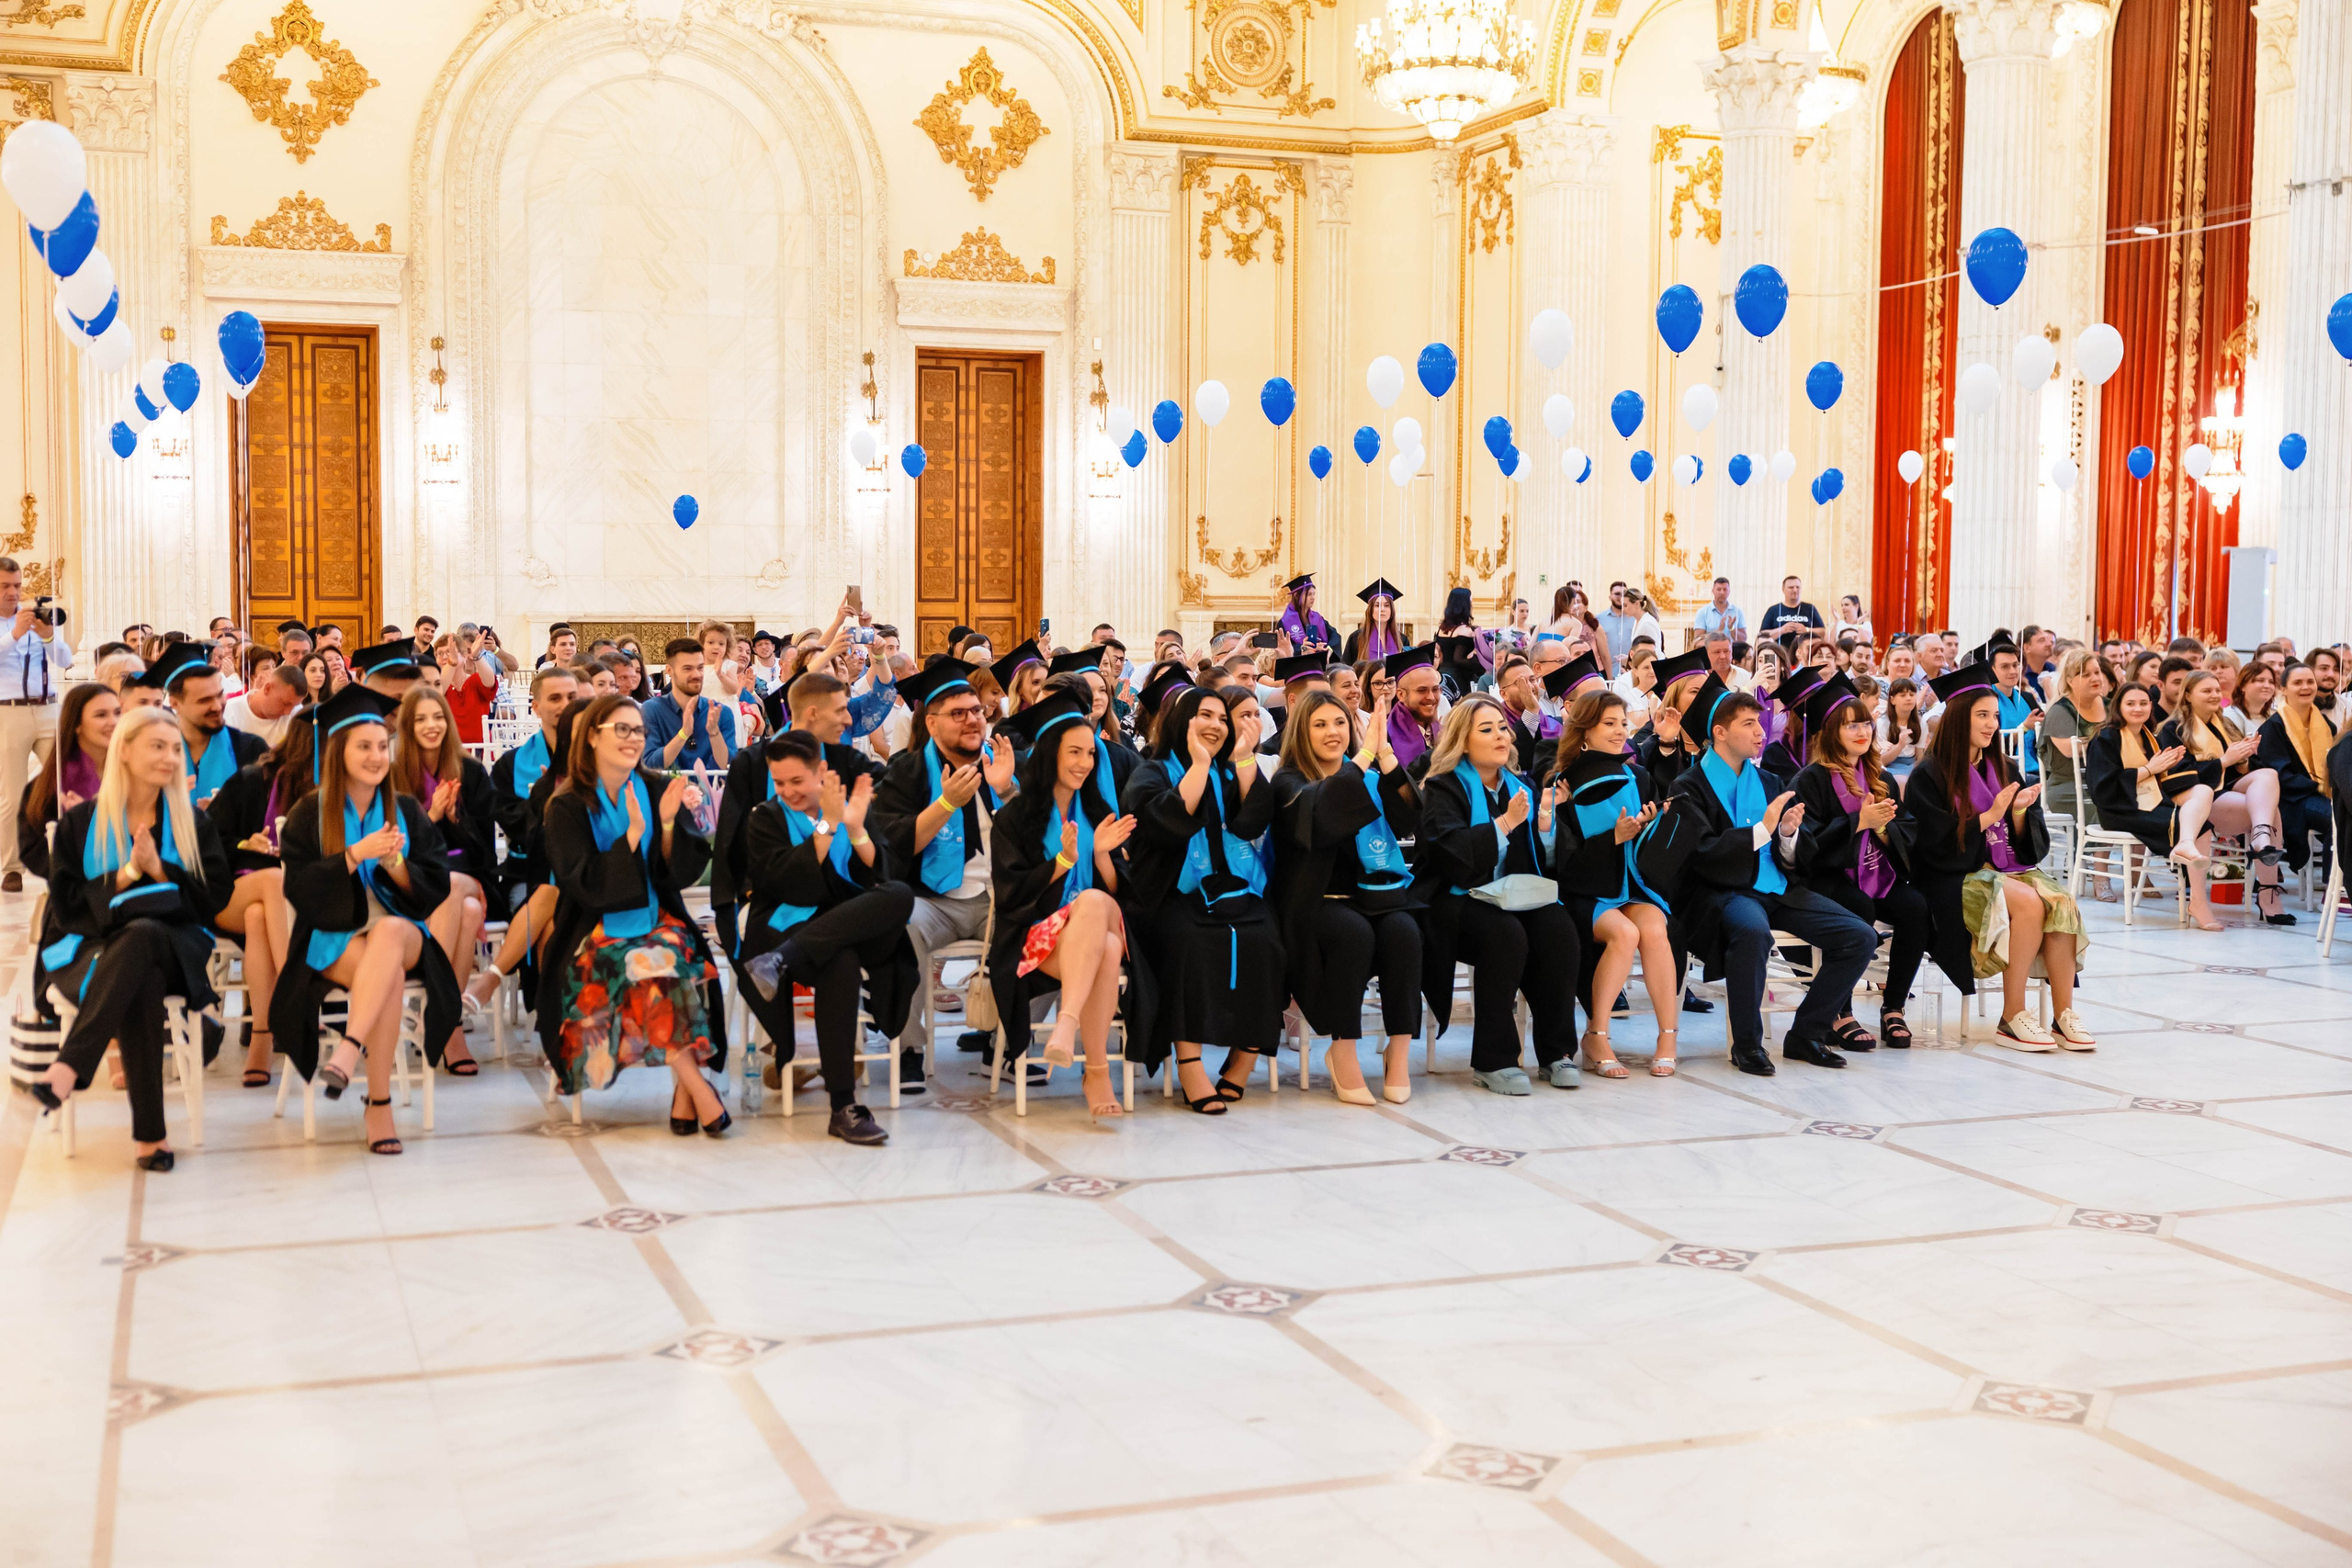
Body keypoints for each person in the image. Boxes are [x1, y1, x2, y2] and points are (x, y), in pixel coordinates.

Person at [21, 707, 231, 1171]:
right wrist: (128, 873)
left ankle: (70, 1065)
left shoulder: (193, 824)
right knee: (142, 968)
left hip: (178, 944)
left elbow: (213, 900)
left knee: (145, 936)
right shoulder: (81, 822)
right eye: (157, 746)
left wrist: (160, 869)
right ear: (125, 752)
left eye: (175, 749)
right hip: (89, 947)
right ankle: (151, 1138)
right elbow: (66, 907)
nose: (170, 757)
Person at [269, 687, 465, 1156]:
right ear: (339, 751)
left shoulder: (406, 810)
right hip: (333, 935)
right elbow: (299, 890)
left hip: (402, 931)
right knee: (388, 978)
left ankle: (349, 1046)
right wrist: (354, 856)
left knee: (391, 932)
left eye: (382, 746)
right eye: (364, 746)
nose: (377, 756)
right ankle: (379, 1105)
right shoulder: (309, 813)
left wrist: (397, 866)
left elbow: (435, 885)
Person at [1665, 682, 1879, 1075]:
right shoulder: (1688, 786)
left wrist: (1788, 834)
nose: (1761, 731)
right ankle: (1747, 1044)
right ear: (1720, 732)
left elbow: (1797, 853)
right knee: (1752, 932)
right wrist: (1762, 830)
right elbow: (1701, 854)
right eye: (1749, 724)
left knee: (1859, 936)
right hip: (1725, 892)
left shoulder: (1769, 782)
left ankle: (1807, 1034)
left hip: (1778, 888)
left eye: (1760, 722)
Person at [536, 693, 727, 1128]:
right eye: (621, 729)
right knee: (646, 964)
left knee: (669, 959)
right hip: (592, 930)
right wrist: (633, 835)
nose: (633, 738)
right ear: (591, 738)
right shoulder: (565, 805)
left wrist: (666, 824)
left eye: (638, 730)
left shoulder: (656, 786)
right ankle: (697, 1088)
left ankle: (689, 1093)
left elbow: (678, 872)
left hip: (659, 917)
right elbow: (583, 884)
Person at [734, 729, 916, 1143]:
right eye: (779, 782)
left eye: (797, 781)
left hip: (845, 921)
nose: (788, 792)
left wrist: (854, 827)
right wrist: (828, 826)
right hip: (787, 920)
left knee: (900, 894)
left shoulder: (848, 805)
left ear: (820, 771)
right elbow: (785, 884)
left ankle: (782, 960)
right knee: (840, 961)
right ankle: (844, 1108)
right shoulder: (765, 817)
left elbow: (879, 874)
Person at [1904, 664, 2092, 1047]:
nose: (1992, 724)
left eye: (1994, 715)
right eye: (1982, 716)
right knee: (2029, 903)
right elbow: (1930, 844)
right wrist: (1989, 817)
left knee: (2062, 901)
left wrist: (2018, 812)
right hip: (1953, 875)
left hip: (2006, 869)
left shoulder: (2005, 768)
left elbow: (2027, 840)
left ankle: (2063, 1015)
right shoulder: (1930, 774)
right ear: (1959, 719)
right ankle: (2012, 1015)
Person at [1122, 683, 1283, 1112]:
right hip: (1169, 894)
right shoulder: (1151, 772)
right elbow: (1165, 823)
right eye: (1204, 716)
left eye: (1222, 719)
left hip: (1233, 889)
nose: (1216, 725)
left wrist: (1244, 758)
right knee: (1187, 941)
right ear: (1181, 720)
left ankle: (1244, 1057)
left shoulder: (1228, 772)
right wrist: (1197, 765)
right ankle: (1190, 1065)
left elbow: (1252, 822)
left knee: (1267, 938)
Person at [986, 694, 1147, 1120]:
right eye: (1074, 752)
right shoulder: (1016, 817)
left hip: (1094, 921)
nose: (1084, 763)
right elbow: (1011, 894)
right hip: (1037, 938)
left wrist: (1100, 857)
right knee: (1107, 948)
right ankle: (1096, 1072)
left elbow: (1121, 895)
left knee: (1094, 902)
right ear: (1049, 753)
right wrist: (1061, 862)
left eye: (1090, 753)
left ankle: (1067, 1022)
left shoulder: (1099, 811)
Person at [1410, 694, 1579, 1092]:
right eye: (1487, 730)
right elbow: (1450, 857)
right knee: (1505, 935)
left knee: (1558, 928)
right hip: (1454, 898)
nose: (1502, 736)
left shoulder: (1521, 787)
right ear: (1463, 742)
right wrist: (1504, 823)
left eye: (1503, 727)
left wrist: (1544, 822)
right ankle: (1494, 1059)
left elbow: (1542, 862)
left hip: (1511, 895)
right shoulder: (1443, 788)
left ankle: (1556, 1052)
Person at [1271, 687, 1423, 1103]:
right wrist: (1363, 757)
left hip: (1377, 897)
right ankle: (1343, 1052)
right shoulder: (1288, 782)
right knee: (1353, 935)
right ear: (1302, 732)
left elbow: (1409, 816)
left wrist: (1385, 755)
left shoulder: (1368, 776)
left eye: (1340, 722)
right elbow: (1324, 813)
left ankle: (1398, 1052)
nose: (1333, 732)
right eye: (1320, 724)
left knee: (1405, 934)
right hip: (1316, 903)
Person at [1546, 689, 1679, 1077]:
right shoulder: (1562, 784)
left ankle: (1667, 1037)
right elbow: (1560, 863)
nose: (1621, 731)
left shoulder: (1638, 776)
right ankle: (1596, 1036)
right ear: (1584, 731)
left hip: (1635, 885)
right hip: (1586, 891)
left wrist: (1652, 824)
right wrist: (1613, 839)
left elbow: (1654, 851)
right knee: (1624, 933)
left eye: (1623, 723)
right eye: (1609, 723)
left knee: (1654, 929)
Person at [1791, 686, 1932, 1051]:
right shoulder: (1811, 779)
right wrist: (1858, 823)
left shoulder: (1881, 778)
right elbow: (1807, 845)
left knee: (1915, 907)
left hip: (1874, 874)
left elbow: (1905, 831)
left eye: (1866, 724)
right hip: (1825, 878)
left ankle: (1894, 1007)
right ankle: (1840, 1011)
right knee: (1858, 907)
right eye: (1851, 725)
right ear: (1832, 732)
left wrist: (1882, 828)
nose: (1862, 732)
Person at [206, 705, 314, 1084]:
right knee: (271, 881)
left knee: (259, 917)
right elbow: (207, 841)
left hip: (299, 904)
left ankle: (262, 1039)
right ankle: (295, 991)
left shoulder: (340, 791)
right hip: (231, 893)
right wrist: (244, 843)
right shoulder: (252, 780)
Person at [390, 687, 496, 1055]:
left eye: (438, 717)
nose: (431, 725)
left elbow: (485, 848)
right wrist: (431, 815)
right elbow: (394, 847)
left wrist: (455, 820)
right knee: (468, 911)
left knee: (453, 887)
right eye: (420, 719)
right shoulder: (394, 775)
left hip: (467, 872)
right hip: (411, 882)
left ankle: (433, 1011)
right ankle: (449, 1026)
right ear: (407, 726)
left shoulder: (471, 771)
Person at [2160, 669, 2290, 925]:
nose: (2214, 695)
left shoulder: (2225, 725)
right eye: (2206, 690)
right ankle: (2268, 897)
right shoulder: (2173, 729)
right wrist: (2224, 761)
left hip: (2225, 791)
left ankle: (2261, 836)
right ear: (2188, 695)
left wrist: (2246, 756)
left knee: (2267, 775)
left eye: (2217, 690)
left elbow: (2236, 771)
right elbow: (2179, 777)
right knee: (2271, 812)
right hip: (2196, 799)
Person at [0, 555, 74, 893]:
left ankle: (70, 860)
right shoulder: (16, 626)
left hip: (48, 710)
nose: (13, 592)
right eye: (5, 586)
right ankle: (12, 868)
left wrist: (47, 637)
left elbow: (66, 659)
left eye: (17, 585)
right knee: (12, 795)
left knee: (66, 782)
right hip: (8, 712)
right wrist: (15, 634)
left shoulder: (38, 618)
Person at [17, 681, 117, 883]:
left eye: (118, 712)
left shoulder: (135, 773)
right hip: (73, 889)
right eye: (101, 715)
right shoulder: (51, 785)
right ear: (77, 724)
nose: (113, 721)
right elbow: (33, 850)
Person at [2257, 663, 2335, 882]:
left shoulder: (2326, 725)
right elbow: (2279, 775)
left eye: (2310, 682)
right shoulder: (2273, 727)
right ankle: (2333, 889)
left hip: (2323, 793)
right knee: (2338, 820)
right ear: (2283, 689)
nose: (2305, 687)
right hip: (2293, 799)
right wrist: (2318, 786)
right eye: (2297, 683)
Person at [2038, 648, 2109, 823]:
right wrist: (2111, 741)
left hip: (2106, 779)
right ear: (2070, 681)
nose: (2095, 678)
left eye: (2097, 672)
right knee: (2107, 808)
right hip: (2069, 786)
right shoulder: (2060, 711)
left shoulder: (2111, 706)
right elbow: (2071, 750)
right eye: (2086, 675)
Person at [1384, 645, 1442, 770]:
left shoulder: (1445, 733)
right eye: (1422, 690)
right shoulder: (1385, 738)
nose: (1431, 697)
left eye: (1435, 689)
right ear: (1401, 695)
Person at [224, 660, 304, 748]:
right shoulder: (229, 712)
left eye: (294, 706)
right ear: (268, 689)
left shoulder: (297, 714)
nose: (288, 712)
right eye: (285, 703)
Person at [1879, 677, 1926, 788]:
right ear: (1892, 700)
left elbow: (1919, 755)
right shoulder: (1883, 722)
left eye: (1912, 694)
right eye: (1903, 695)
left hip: (1911, 764)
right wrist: (1900, 746)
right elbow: (1882, 761)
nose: (1908, 698)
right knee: (1901, 782)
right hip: (1890, 765)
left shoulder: (1920, 723)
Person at [1277, 573, 1338, 654]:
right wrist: (1305, 648)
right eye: (1309, 594)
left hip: (1319, 660)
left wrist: (1330, 649)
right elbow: (1282, 649)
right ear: (1296, 595)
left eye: (1314, 594)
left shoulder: (1317, 618)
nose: (1313, 598)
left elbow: (1335, 636)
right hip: (1299, 662)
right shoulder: (1285, 623)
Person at [1690, 576, 1746, 644]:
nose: (1722, 592)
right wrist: (1718, 631)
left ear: (1729, 591)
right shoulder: (1702, 612)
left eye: (1725, 589)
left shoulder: (1737, 612)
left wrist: (1732, 628)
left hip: (1732, 649)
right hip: (1710, 650)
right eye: (1719, 589)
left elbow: (1743, 639)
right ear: (1713, 591)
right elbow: (1698, 640)